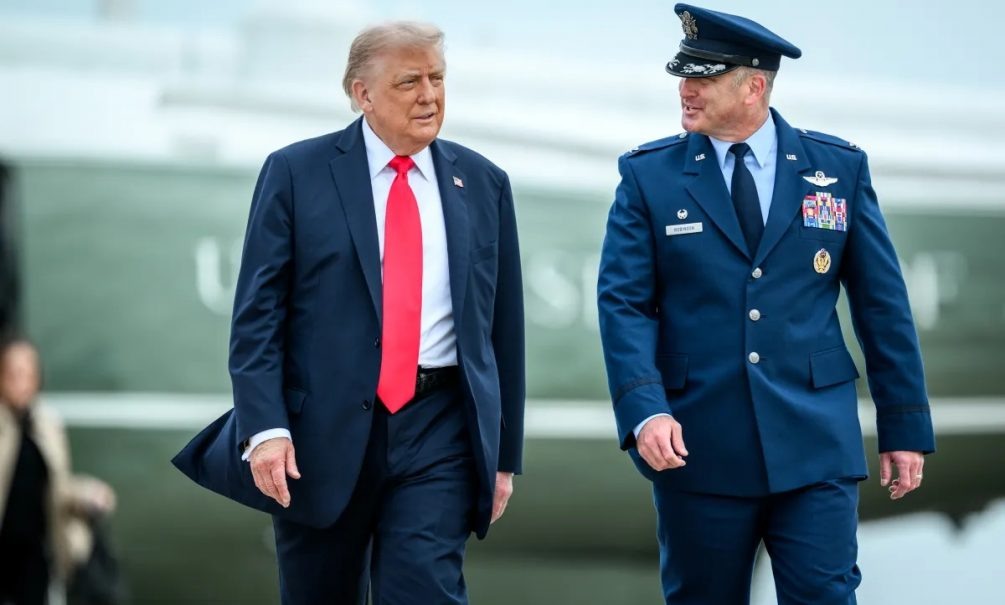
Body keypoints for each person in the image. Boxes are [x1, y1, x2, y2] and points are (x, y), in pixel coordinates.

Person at [173, 21, 525, 605]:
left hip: (440, 428)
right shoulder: (295, 173)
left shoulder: (484, 183)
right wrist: (265, 430)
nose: (429, 96)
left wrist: (503, 457)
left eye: (437, 78)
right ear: (362, 93)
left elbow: (502, 331)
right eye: (409, 81)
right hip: (320, 434)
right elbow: (258, 317)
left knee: (426, 591)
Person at [596, 5, 935, 604]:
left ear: (754, 86)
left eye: (703, 77)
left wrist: (904, 425)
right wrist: (645, 411)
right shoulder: (649, 177)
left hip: (816, 444)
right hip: (698, 447)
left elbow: (882, 305)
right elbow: (623, 304)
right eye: (683, 75)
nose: (686, 89)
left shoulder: (838, 169)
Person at [0, 338, 117, 605]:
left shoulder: (47, 425)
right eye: (13, 373)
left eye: (28, 374)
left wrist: (88, 493)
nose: (21, 382)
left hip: (35, 553)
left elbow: (58, 486)